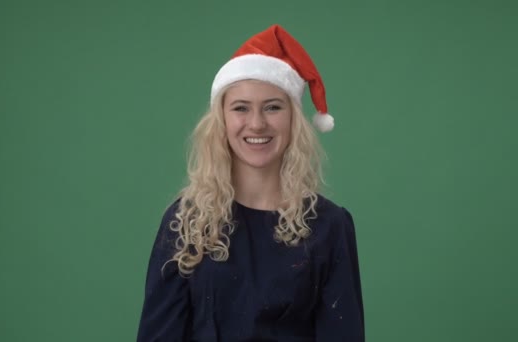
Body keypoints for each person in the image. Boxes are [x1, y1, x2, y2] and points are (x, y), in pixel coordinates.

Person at [136, 24, 365, 341]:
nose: (257, 123)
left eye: (273, 107)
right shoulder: (185, 222)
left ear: (292, 119)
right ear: (222, 121)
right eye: (241, 108)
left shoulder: (330, 226)